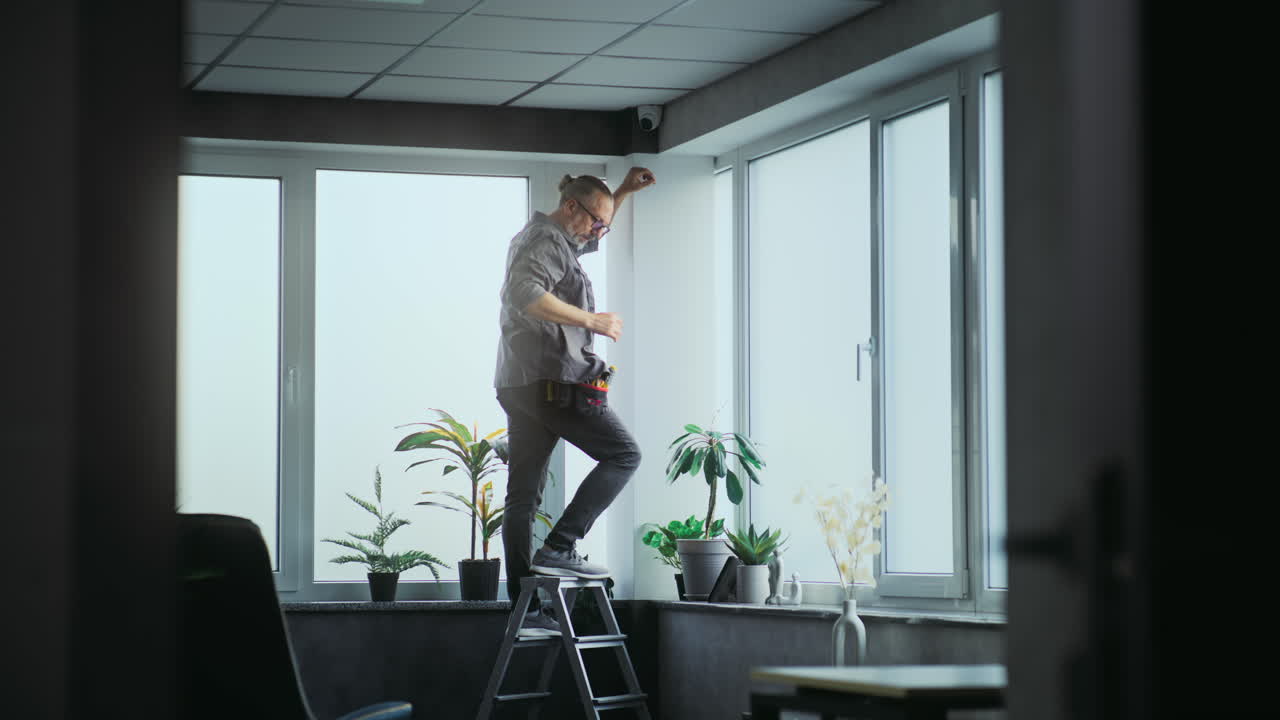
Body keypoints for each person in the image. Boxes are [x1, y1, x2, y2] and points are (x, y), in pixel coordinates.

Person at [494, 167, 656, 636]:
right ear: (571, 208)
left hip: (520, 384)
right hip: (553, 382)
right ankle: (561, 546)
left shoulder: (550, 237)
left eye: (603, 225)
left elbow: (584, 236)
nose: (597, 233)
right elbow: (524, 294)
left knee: (522, 496)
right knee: (625, 454)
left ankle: (522, 608)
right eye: (595, 222)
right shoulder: (545, 241)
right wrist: (594, 321)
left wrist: (620, 193)